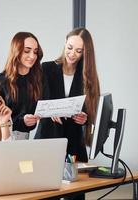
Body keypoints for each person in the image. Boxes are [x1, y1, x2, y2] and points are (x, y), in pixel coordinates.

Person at [35, 28, 100, 163]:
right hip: (47, 139)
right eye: (69, 48)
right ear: (65, 44)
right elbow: (36, 101)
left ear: (85, 53)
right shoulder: (46, 69)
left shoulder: (87, 76)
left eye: (78, 51)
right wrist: (50, 110)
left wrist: (85, 118)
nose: (72, 54)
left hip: (74, 143)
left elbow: (91, 110)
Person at [0, 32, 44, 139]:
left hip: (27, 139)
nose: (32, 56)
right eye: (27, 51)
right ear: (16, 51)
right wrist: (21, 122)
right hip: (2, 138)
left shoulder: (38, 80)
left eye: (35, 52)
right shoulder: (0, 81)